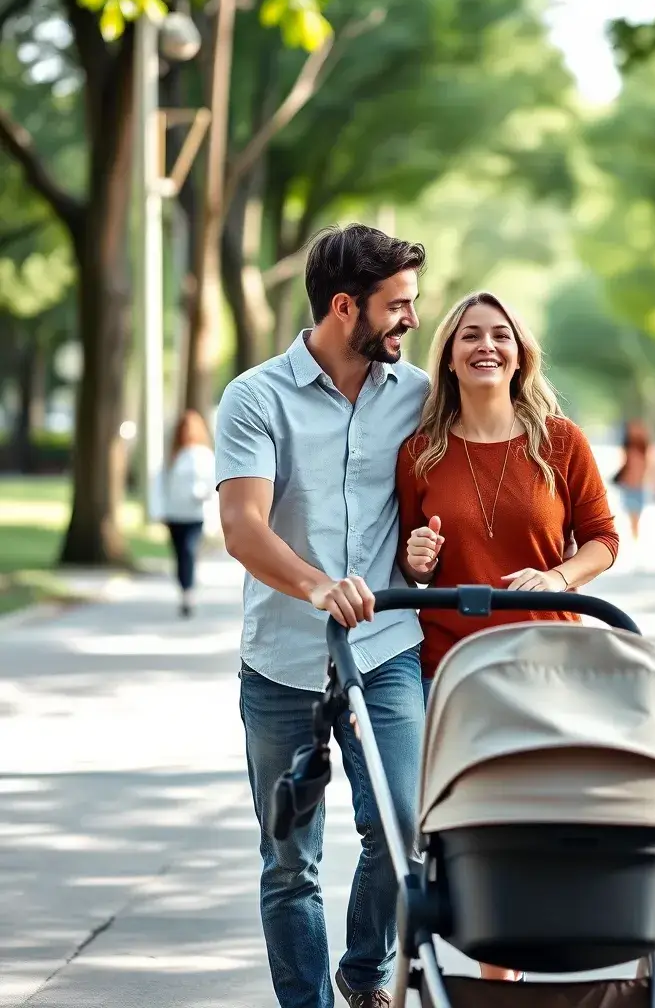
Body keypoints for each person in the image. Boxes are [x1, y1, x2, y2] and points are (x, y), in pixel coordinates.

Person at [215, 222, 431, 1008]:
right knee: (289, 863)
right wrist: (316, 587)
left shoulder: (417, 396)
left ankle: (365, 971)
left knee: (404, 829)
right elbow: (242, 526)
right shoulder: (255, 397)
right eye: (398, 304)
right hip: (283, 660)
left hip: (385, 650)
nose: (412, 318)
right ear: (346, 307)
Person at [395, 291, 620, 981]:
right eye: (470, 335)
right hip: (452, 666)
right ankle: (492, 972)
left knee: (532, 823)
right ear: (448, 356)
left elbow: (604, 539)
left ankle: (505, 976)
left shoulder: (561, 441)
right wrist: (418, 560)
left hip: (545, 664)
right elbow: (409, 558)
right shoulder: (420, 453)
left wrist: (559, 577)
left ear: (521, 354)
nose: (485, 346)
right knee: (474, 826)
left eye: (500, 335)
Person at [162, 409, 216, 617]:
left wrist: (202, 494)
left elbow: (212, 482)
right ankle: (185, 587)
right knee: (179, 554)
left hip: (194, 513)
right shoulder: (174, 455)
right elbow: (163, 483)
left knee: (188, 551)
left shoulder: (204, 455)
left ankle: (189, 593)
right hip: (174, 513)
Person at [613, 419, 653, 543]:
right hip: (631, 485)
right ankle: (634, 534)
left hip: (637, 485)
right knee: (632, 512)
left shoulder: (644, 450)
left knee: (635, 513)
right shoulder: (629, 449)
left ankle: (635, 534)